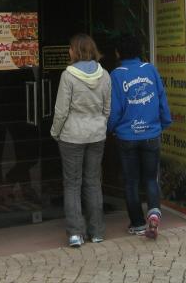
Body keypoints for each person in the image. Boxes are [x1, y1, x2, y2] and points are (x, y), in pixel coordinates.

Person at [107, 34, 172, 239]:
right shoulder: (150, 69)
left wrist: (110, 128)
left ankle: (137, 223)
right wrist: (164, 122)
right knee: (151, 179)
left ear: (118, 52)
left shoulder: (116, 75)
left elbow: (115, 109)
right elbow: (161, 99)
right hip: (151, 134)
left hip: (127, 136)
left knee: (131, 181)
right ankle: (153, 213)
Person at [50, 33, 112, 248]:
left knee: (72, 184)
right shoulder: (105, 75)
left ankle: (76, 233)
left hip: (72, 136)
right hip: (97, 135)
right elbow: (107, 108)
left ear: (75, 51)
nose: (68, 51)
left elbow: (61, 110)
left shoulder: (68, 76)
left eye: (70, 47)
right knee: (93, 182)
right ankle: (97, 232)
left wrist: (55, 132)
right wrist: (100, 125)